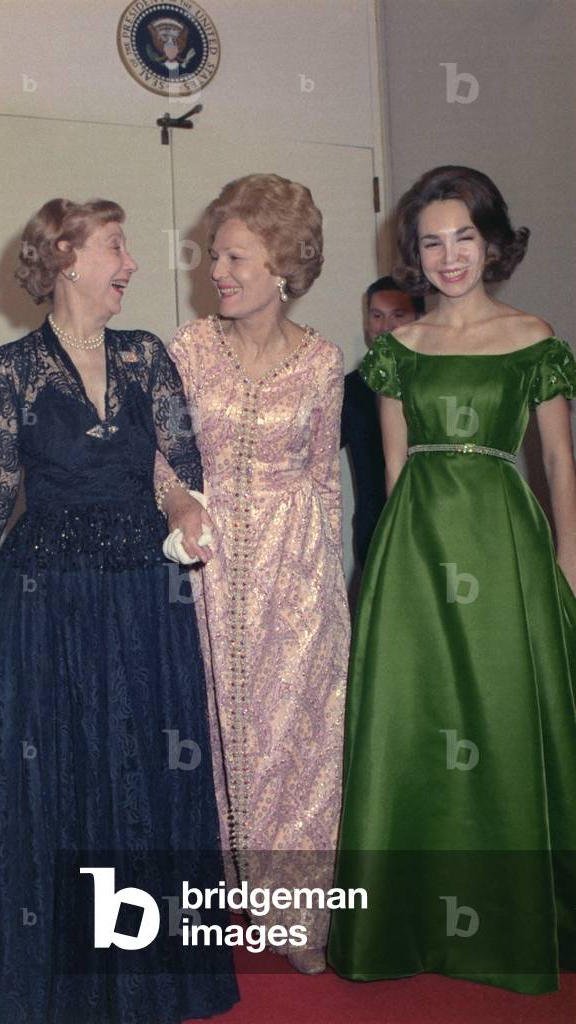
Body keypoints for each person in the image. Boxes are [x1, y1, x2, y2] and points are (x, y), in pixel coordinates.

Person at [0, 197, 238, 1024]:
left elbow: (181, 469)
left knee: (142, 767)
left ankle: (146, 981)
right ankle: (54, 984)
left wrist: (187, 516)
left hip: (141, 593)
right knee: (59, 775)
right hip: (44, 600)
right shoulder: (10, 368)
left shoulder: (148, 355)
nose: (131, 265)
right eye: (117, 246)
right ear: (68, 257)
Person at [328, 165, 576, 994]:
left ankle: (514, 921)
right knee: (413, 720)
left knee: (505, 716)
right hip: (414, 550)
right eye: (431, 243)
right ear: (414, 253)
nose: (447, 257)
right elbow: (394, 475)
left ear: (492, 241)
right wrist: (392, 578)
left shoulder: (533, 337)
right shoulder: (395, 348)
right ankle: (407, 922)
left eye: (462, 237)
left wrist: (568, 565)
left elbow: (557, 465)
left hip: (503, 544)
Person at [156, 173, 350, 974]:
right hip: (205, 568)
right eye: (213, 257)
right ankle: (215, 899)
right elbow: (157, 456)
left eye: (235, 257)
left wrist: (328, 592)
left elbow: (321, 479)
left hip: (294, 573)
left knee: (296, 739)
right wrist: (173, 503)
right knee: (202, 732)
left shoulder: (323, 362)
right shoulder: (186, 349)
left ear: (282, 266)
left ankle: (296, 916)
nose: (218, 272)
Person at [340, 277, 424, 569]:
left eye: (397, 315)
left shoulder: (438, 385)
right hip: (374, 535)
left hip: (435, 527)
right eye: (377, 316)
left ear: (419, 318)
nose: (385, 326)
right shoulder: (350, 389)